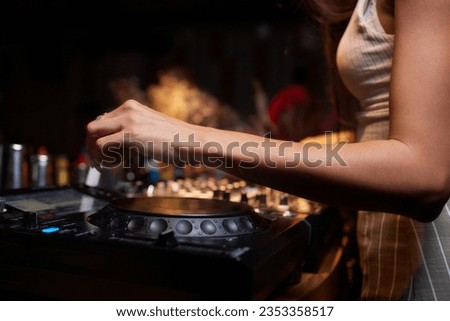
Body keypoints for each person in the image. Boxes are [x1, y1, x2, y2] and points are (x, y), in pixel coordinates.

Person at [86, 0, 450, 300]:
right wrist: (309, 149)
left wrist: (189, 138)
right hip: (394, 267)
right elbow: (383, 126)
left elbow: (423, 174)